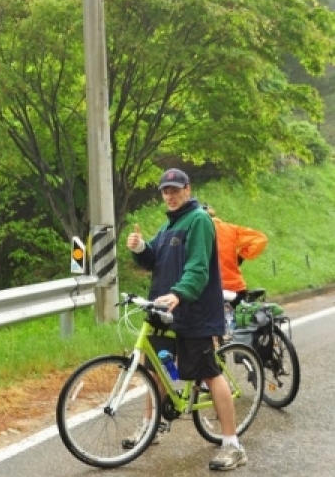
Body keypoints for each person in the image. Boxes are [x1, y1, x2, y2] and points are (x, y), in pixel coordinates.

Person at [125, 168, 247, 471]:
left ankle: (232, 444)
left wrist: (180, 293)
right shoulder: (169, 225)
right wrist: (140, 248)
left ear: (187, 190)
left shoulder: (199, 221)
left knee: (208, 373)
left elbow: (198, 268)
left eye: (175, 189)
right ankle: (152, 425)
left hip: (194, 313)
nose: (170, 195)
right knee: (155, 369)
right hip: (166, 312)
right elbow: (154, 257)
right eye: (166, 190)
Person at [202, 203, 268, 308]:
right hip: (234, 287)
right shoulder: (230, 229)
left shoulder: (193, 231)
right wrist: (241, 256)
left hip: (207, 289)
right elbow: (260, 238)